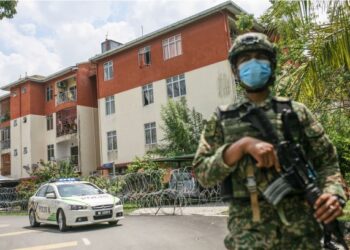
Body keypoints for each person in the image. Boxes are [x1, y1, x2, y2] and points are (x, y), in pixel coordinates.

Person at [192, 32, 347, 249]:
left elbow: (328, 163)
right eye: (245, 59)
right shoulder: (222, 119)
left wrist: (333, 194)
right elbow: (202, 173)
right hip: (248, 239)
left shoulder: (296, 113)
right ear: (236, 70)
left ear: (271, 65)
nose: (253, 63)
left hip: (302, 237)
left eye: (259, 57)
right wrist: (240, 147)